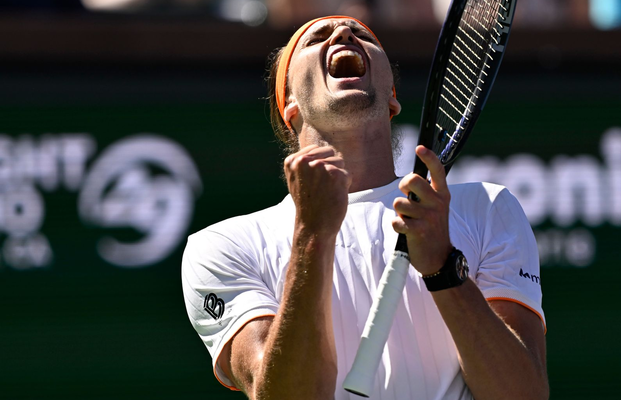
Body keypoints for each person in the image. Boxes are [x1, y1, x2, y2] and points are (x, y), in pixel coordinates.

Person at [181, 15, 548, 400]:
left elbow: (523, 394)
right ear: (288, 103)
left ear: (392, 96)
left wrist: (443, 268)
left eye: (362, 35)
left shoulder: (489, 208)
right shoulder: (223, 246)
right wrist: (313, 236)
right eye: (316, 38)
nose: (343, 33)